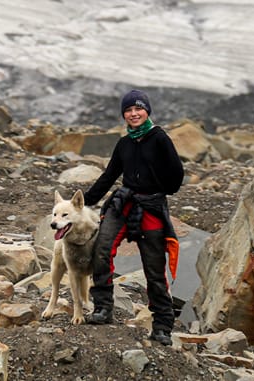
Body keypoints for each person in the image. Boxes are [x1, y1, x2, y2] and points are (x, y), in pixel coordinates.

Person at [82, 89, 184, 346]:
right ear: (124, 115)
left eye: (138, 109)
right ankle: (103, 308)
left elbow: (176, 177)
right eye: (128, 110)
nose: (133, 113)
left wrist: (157, 183)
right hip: (123, 204)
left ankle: (162, 326)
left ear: (147, 111)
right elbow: (109, 175)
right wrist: (86, 200)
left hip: (151, 206)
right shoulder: (124, 144)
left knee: (153, 267)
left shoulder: (159, 138)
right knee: (101, 250)